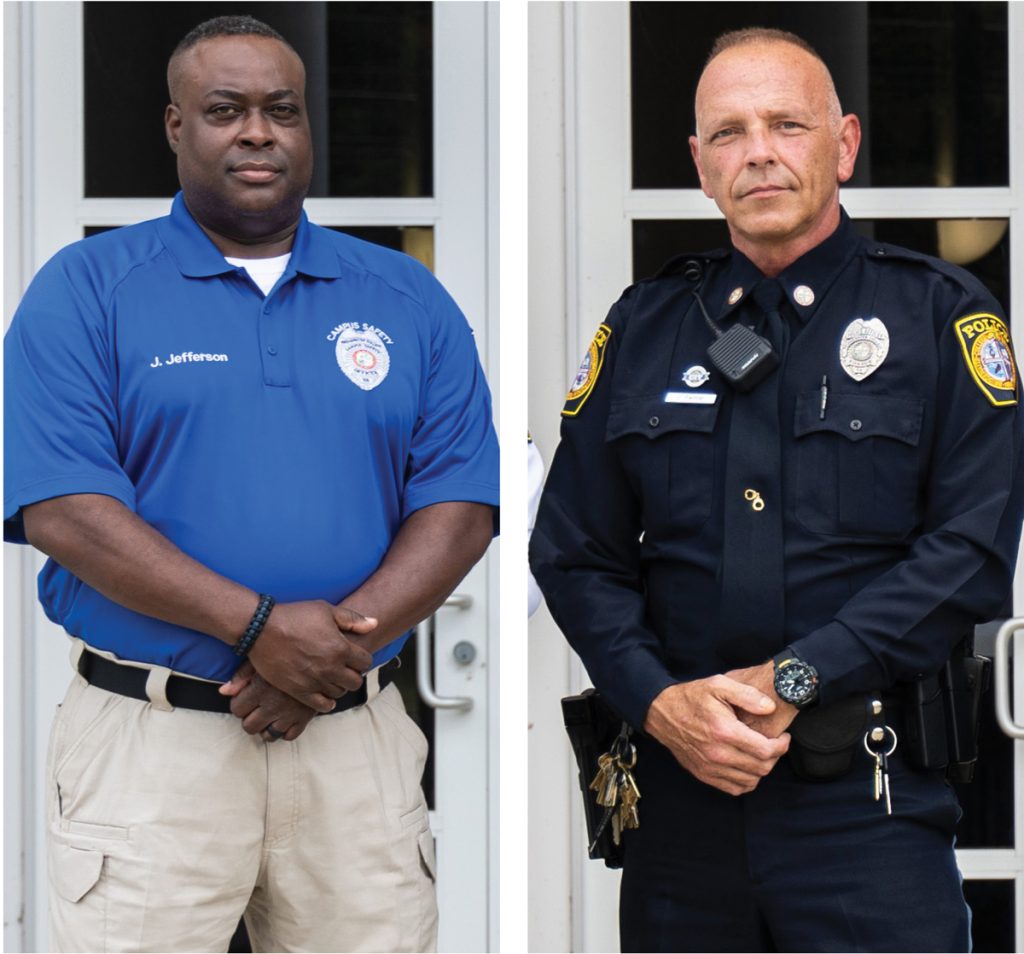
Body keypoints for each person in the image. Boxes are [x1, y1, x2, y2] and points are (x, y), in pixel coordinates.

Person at [5, 15, 498, 954]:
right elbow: (65, 509)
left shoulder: (404, 296)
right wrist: (264, 632)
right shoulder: (85, 289)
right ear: (174, 126)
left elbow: (461, 502)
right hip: (153, 751)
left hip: (352, 743)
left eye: (282, 109)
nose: (258, 132)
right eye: (225, 110)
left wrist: (326, 660)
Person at [530, 27, 1022, 954]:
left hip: (867, 807)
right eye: (728, 133)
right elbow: (572, 552)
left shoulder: (940, 316)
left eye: (786, 124)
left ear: (842, 145)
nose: (757, 151)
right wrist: (657, 701)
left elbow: (972, 554)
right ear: (699, 167)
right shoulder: (643, 329)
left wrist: (798, 678)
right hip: (681, 809)